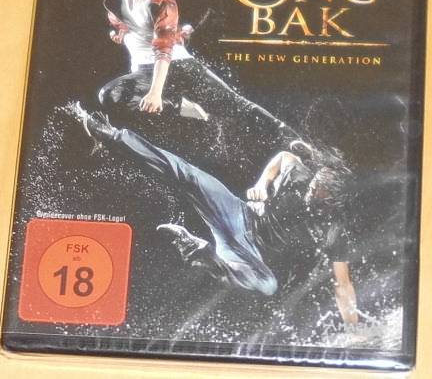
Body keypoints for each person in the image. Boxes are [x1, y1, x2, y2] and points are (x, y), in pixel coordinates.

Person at [71, 102, 358, 325]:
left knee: (267, 285)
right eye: (314, 184)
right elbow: (283, 158)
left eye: (318, 193)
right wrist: (261, 185)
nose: (311, 189)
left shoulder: (334, 229)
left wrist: (353, 328)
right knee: (189, 175)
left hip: (248, 253)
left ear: (331, 202)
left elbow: (343, 284)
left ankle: (199, 250)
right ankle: (111, 135)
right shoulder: (302, 173)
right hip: (239, 214)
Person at [100, 0, 294, 141]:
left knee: (236, 105)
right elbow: (124, 17)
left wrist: (155, 93)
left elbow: (163, 50)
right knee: (112, 96)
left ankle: (292, 140)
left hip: (177, 65)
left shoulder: (164, 3)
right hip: (143, 69)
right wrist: (122, 32)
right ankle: (182, 107)